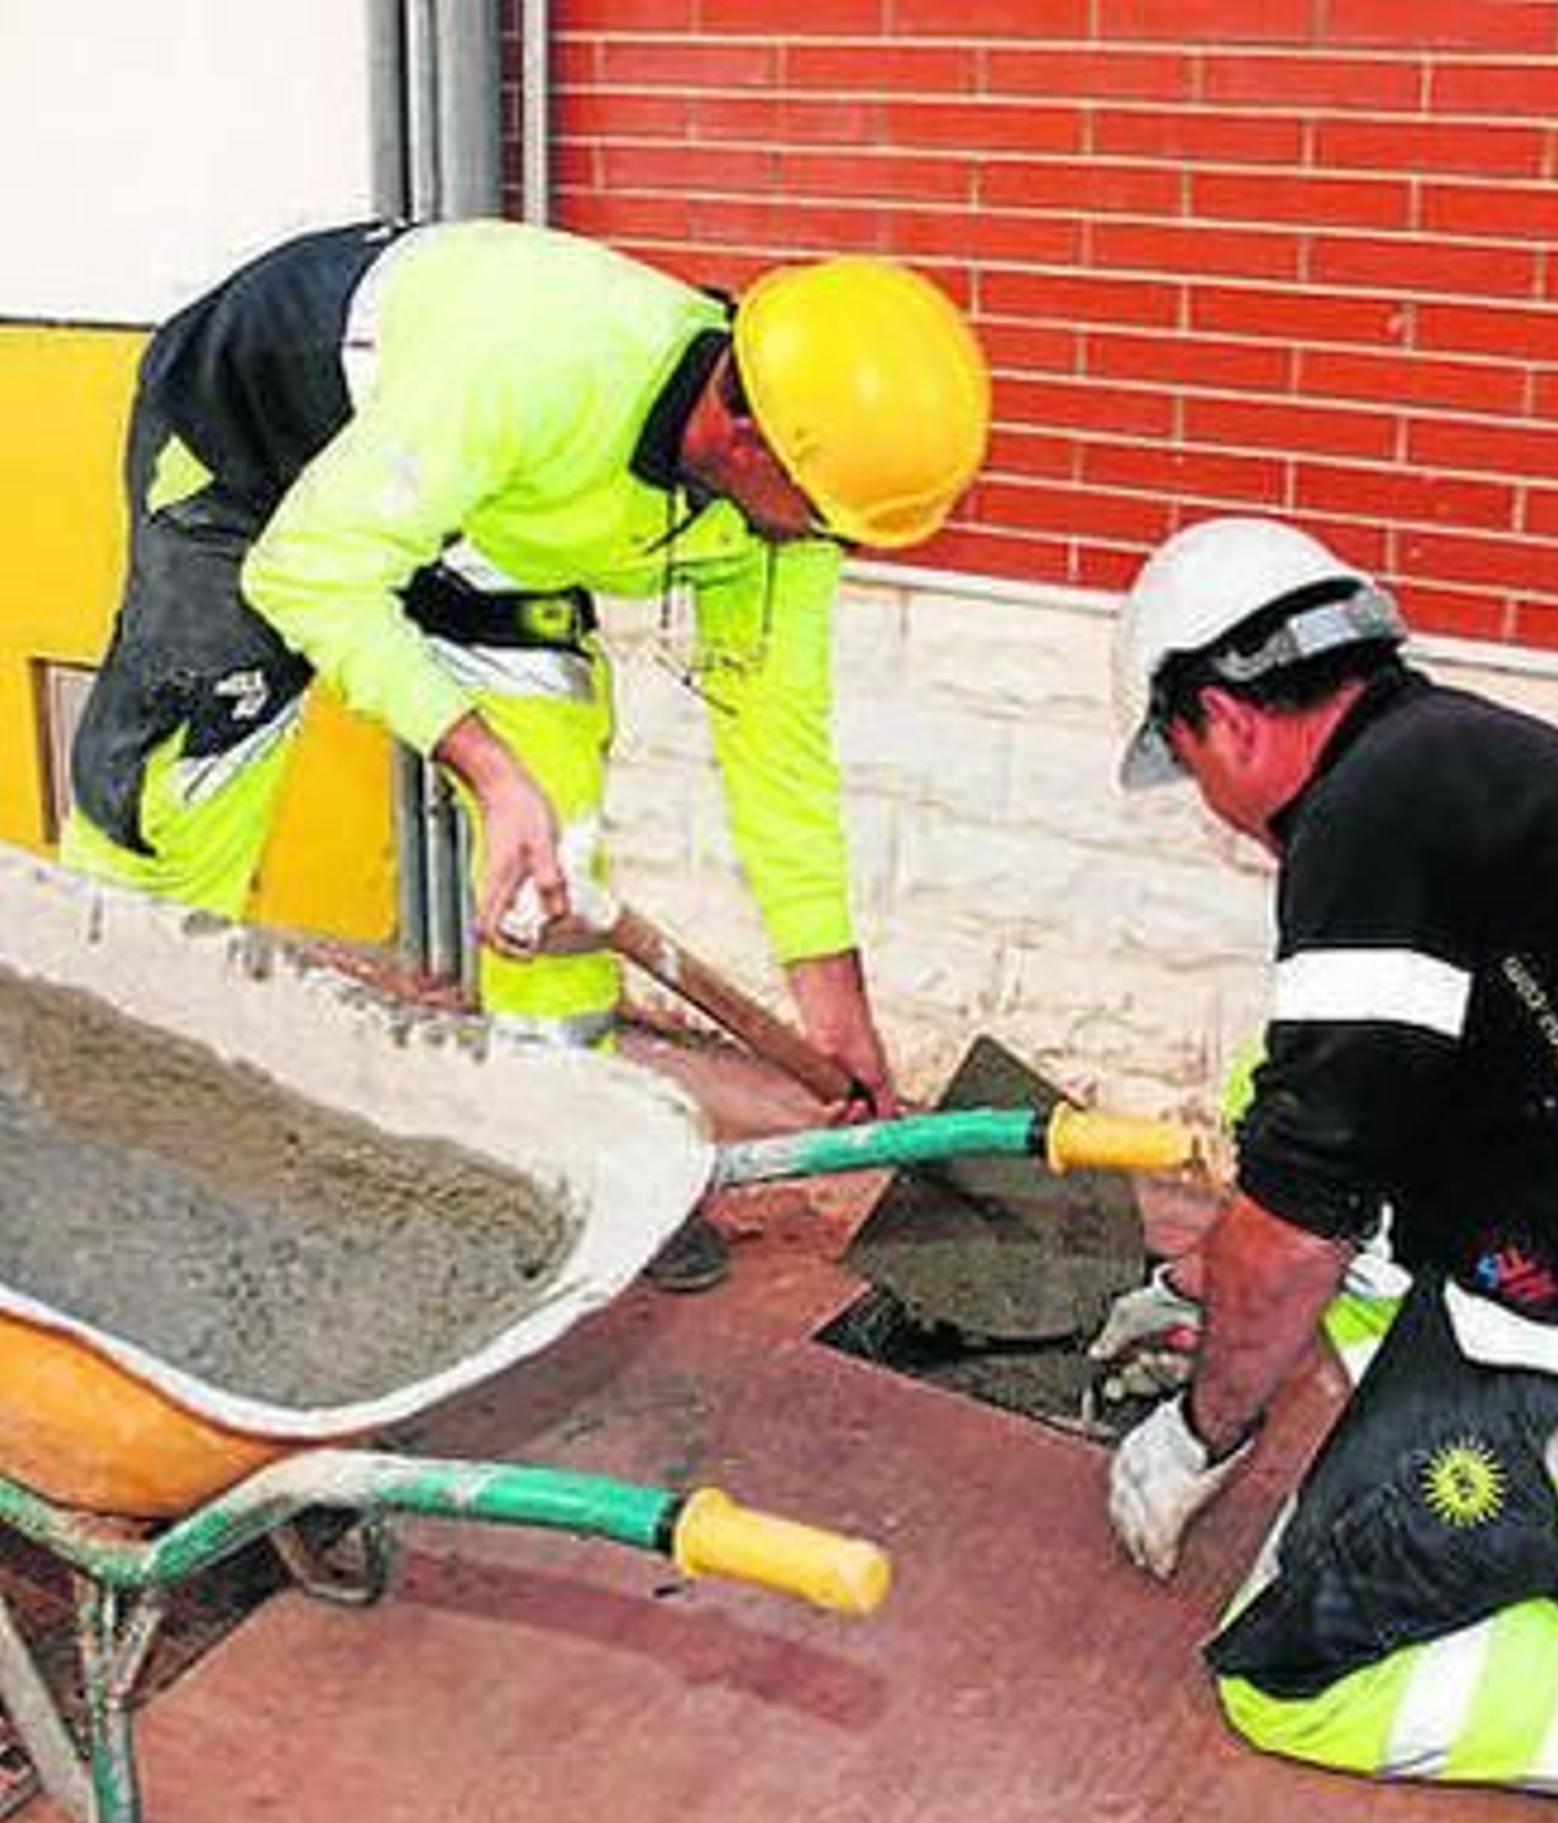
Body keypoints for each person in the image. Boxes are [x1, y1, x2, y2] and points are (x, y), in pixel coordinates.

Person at [61, 219, 991, 1290]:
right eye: (832, 519)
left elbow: (777, 749)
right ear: (745, 438)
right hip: (255, 455)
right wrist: (483, 764)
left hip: (489, 524)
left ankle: (559, 1157)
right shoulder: (537, 367)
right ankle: (103, 1125)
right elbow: (306, 575)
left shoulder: (779, 517)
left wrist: (834, 1002)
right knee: (178, 802)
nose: (840, 542)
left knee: (559, 851)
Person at [1103, 515, 1558, 1797]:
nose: (1213, 809)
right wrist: (1209, 1279)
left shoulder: (1367, 821)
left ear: (1224, 717)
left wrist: (1204, 1426)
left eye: (1185, 761)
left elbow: (1308, 1196)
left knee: (1287, 1679)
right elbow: (1342, 1115)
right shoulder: (1468, 757)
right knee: (1272, 1108)